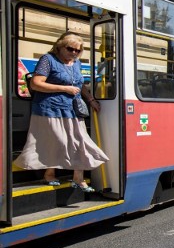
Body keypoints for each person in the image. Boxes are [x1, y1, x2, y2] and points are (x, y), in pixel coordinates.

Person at [14, 31, 108, 193]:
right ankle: (49, 173)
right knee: (57, 142)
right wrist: (64, 88)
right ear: (60, 47)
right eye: (70, 49)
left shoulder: (76, 63)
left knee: (79, 141)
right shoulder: (48, 60)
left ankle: (78, 178)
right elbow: (36, 84)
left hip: (72, 109)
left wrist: (91, 99)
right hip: (49, 108)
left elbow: (80, 85)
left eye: (78, 51)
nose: (74, 53)